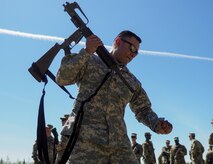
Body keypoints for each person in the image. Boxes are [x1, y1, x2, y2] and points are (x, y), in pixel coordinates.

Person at [56, 30, 173, 163]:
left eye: (136, 52)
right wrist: (87, 51)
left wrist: (157, 124)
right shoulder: (89, 61)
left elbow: (143, 109)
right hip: (84, 142)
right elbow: (62, 78)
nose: (133, 54)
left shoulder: (131, 81)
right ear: (117, 42)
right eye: (132, 48)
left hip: (119, 146)